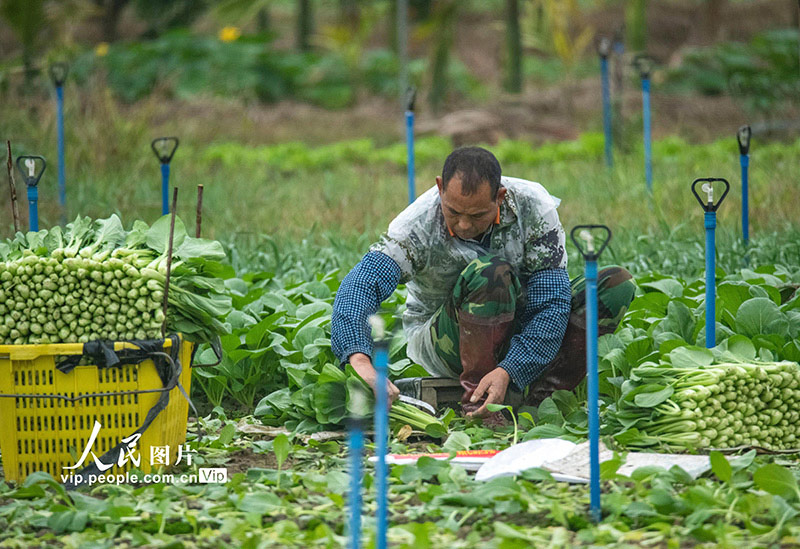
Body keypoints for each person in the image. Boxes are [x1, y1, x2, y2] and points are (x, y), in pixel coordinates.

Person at [331, 146, 635, 418]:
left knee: (613, 284)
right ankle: (478, 405)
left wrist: (511, 368)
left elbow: (551, 302)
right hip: (443, 338)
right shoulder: (415, 225)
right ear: (440, 188)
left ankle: (543, 402)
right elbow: (361, 284)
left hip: (515, 322)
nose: (464, 225)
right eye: (454, 213)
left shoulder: (533, 208)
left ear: (499, 197)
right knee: (491, 273)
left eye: (477, 216)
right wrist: (358, 358)